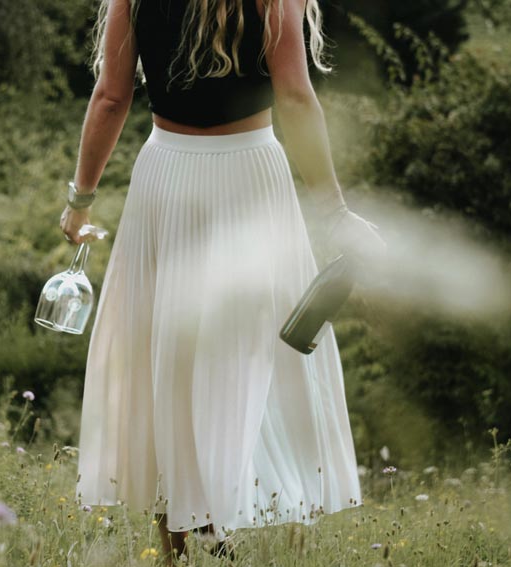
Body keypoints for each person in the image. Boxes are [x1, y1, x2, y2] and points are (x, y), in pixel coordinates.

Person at [58, 0, 385, 563]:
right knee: (249, 353)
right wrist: (333, 213)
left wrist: (80, 202)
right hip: (251, 176)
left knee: (167, 355)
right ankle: (213, 522)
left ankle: (184, 540)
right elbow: (295, 96)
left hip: (168, 175)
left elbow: (112, 96)